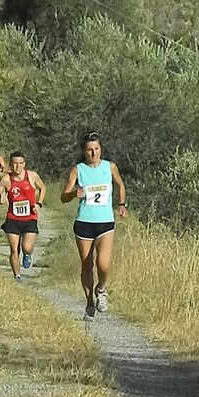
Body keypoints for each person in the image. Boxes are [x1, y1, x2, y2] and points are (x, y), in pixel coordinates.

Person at [61, 132, 128, 321]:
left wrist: (122, 205)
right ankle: (90, 302)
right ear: (84, 151)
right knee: (86, 265)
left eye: (97, 149)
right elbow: (63, 196)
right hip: (84, 223)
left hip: (105, 222)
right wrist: (74, 193)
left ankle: (101, 289)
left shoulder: (110, 167)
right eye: (90, 150)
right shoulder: (78, 170)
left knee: (103, 264)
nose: (94, 153)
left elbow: (120, 185)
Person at [0, 151, 45, 282]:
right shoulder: (6, 180)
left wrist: (39, 203)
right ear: (10, 165)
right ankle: (17, 276)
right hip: (13, 219)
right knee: (14, 249)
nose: (18, 166)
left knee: (26, 247)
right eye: (15, 163)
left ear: (24, 164)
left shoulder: (32, 176)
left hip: (30, 218)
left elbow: (43, 188)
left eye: (21, 163)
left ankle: (27, 254)